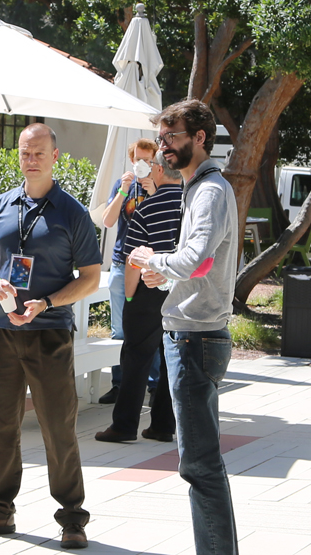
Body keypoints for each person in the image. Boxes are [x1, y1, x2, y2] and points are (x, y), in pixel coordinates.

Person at [0, 123, 101, 550]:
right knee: (2, 426)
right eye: (25, 153)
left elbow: (89, 279)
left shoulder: (72, 213)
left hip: (50, 334)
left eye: (38, 153)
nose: (31, 160)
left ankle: (71, 518)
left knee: (58, 429)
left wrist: (46, 303)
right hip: (2, 331)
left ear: (55, 156)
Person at [127, 100, 240, 555]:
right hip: (193, 335)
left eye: (172, 137)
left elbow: (194, 258)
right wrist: (167, 273)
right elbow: (203, 261)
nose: (163, 147)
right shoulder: (198, 188)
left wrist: (152, 261)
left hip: (195, 338)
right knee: (201, 463)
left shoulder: (209, 190)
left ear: (200, 138)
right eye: (161, 137)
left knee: (199, 466)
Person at [96, 138, 181, 444]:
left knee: (135, 356)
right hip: (183, 289)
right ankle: (162, 425)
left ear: (158, 169)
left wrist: (130, 297)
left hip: (147, 289)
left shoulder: (149, 207)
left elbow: (133, 259)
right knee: (171, 357)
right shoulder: (192, 204)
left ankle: (124, 425)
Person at [93, 138, 160, 405]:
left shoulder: (161, 186)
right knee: (119, 328)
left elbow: (167, 219)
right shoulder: (124, 186)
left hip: (151, 266)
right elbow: (108, 221)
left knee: (152, 327)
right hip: (122, 263)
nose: (142, 164)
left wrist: (153, 190)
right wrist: (122, 191)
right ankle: (119, 383)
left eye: (147, 160)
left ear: (155, 161)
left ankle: (154, 386)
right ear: (132, 160)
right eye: (138, 160)